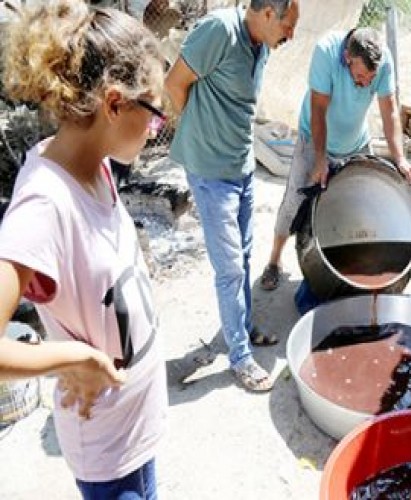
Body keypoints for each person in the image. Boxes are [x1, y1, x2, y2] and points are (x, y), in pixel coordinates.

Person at [0, 1, 168, 497]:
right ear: (114, 104)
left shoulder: (96, 163)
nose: (156, 130)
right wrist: (74, 358)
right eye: (154, 113)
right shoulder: (43, 204)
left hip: (136, 428)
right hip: (109, 453)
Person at [165, 0, 300, 391]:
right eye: (288, 26)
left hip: (242, 168)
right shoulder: (219, 31)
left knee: (241, 256)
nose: (290, 35)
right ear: (269, 14)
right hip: (211, 173)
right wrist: (202, 135)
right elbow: (174, 84)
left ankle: (240, 328)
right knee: (230, 270)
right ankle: (240, 356)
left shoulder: (261, 44)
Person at [260, 27, 411, 292]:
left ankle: (358, 263)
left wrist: (400, 158)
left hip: (356, 141)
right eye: (359, 78)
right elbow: (318, 110)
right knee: (294, 201)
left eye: (370, 79)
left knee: (364, 203)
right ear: (347, 57)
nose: (364, 84)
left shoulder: (383, 59)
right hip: (315, 139)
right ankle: (274, 262)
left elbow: (389, 111)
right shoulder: (326, 52)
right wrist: (320, 160)